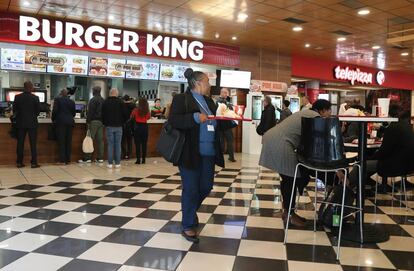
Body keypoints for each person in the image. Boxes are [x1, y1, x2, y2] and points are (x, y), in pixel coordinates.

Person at [169, 68, 224, 243]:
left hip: (209, 153)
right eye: (207, 82)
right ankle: (187, 225)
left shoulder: (210, 102)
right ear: (198, 83)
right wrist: (193, 117)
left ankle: (190, 213)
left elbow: (216, 123)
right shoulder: (181, 99)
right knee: (191, 189)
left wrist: (229, 120)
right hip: (189, 153)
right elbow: (174, 120)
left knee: (206, 187)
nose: (209, 85)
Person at [259, 99, 332, 227]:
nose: (330, 114)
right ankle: (289, 215)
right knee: (290, 180)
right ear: (322, 110)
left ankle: (289, 212)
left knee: (290, 179)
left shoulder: (304, 113)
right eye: (329, 111)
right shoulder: (315, 117)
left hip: (273, 139)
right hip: (281, 143)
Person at [347, 104, 414, 192]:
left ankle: (347, 187)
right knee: (368, 163)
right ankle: (363, 187)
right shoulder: (407, 126)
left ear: (389, 116)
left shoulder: (393, 127)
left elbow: (383, 152)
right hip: (409, 165)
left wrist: (369, 158)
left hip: (394, 166)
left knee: (361, 165)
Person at [13, 81, 40, 168]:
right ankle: (34, 162)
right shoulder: (35, 98)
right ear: (31, 87)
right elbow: (37, 112)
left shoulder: (17, 97)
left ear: (24, 87)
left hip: (20, 123)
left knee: (20, 143)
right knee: (33, 143)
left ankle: (19, 162)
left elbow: (15, 110)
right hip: (32, 123)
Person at [102, 88, 127, 168]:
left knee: (110, 144)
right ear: (116, 94)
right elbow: (125, 115)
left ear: (110, 93)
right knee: (118, 144)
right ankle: (117, 163)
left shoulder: (105, 102)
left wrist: (105, 123)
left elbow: (102, 115)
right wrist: (122, 122)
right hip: (119, 126)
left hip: (109, 126)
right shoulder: (121, 102)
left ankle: (109, 163)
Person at [79, 86, 105, 163]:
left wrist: (88, 121)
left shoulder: (93, 100)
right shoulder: (103, 100)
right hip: (101, 122)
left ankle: (88, 158)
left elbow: (90, 112)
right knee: (100, 140)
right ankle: (100, 158)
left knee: (89, 139)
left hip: (93, 121)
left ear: (94, 91)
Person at [51, 89, 75, 165]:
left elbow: (54, 111)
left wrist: (53, 119)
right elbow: (73, 113)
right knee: (68, 141)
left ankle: (62, 160)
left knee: (61, 141)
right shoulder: (72, 101)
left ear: (61, 93)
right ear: (67, 94)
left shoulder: (57, 100)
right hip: (70, 122)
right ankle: (68, 159)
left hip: (60, 122)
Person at [216, 88, 236, 162]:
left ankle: (222, 157)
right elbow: (230, 112)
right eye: (225, 93)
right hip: (226, 125)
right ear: (221, 93)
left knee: (222, 141)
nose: (226, 94)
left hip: (221, 125)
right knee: (229, 141)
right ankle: (231, 157)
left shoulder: (218, 101)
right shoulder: (224, 102)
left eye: (226, 93)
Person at [131, 97, 151, 164]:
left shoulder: (135, 110)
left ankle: (138, 159)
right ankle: (144, 159)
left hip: (137, 127)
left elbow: (131, 117)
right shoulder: (147, 111)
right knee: (144, 144)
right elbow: (148, 117)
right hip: (145, 127)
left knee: (137, 144)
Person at [122, 95, 135, 160]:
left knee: (123, 140)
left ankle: (124, 154)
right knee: (129, 141)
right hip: (131, 125)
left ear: (124, 99)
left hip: (123, 125)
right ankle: (129, 154)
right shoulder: (133, 106)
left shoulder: (121, 106)